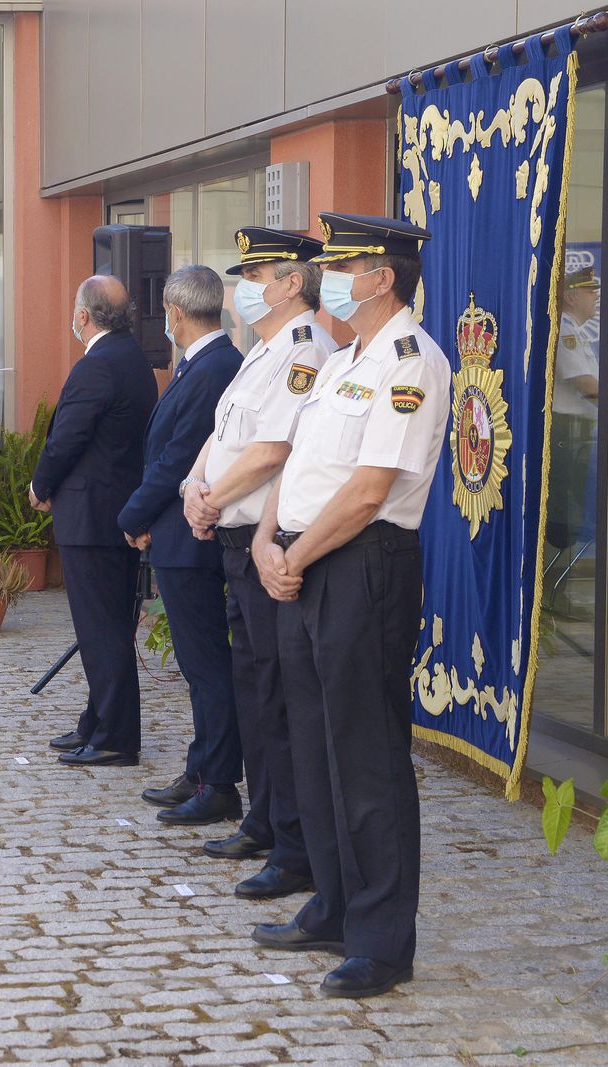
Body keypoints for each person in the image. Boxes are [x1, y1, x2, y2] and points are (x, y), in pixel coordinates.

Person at [248, 212, 449, 1000]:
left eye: (344, 264)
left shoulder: (410, 361)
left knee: (366, 757)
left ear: (383, 276)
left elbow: (369, 491)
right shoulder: (344, 358)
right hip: (301, 557)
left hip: (360, 566)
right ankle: (332, 903)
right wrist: (269, 538)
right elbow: (299, 460)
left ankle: (380, 939)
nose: (330, 276)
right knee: (313, 743)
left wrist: (292, 556)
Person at [182, 226, 334, 902]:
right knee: (254, 692)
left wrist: (213, 496)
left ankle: (294, 843)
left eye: (258, 274)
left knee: (277, 699)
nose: (246, 287)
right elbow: (224, 432)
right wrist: (195, 485)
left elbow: (273, 451)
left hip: (266, 543)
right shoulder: (261, 351)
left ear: (291, 284)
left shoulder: (306, 351)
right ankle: (265, 818)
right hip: (235, 540)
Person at [115, 266, 243, 821]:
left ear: (174, 311)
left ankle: (217, 783)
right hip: (176, 531)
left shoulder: (216, 366)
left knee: (207, 663)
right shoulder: (200, 364)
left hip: (192, 538)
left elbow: (176, 459)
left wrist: (134, 512)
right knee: (197, 664)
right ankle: (200, 767)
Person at [30, 275, 157, 766]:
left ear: (84, 316)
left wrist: (40, 487)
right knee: (105, 627)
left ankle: (115, 738)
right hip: (118, 510)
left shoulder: (98, 364)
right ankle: (97, 720)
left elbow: (66, 438)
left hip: (92, 515)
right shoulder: (135, 360)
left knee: (102, 629)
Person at [547, 267, 600, 557]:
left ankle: (560, 576)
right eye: (589, 291)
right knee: (564, 509)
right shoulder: (565, 332)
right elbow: (585, 383)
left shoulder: (576, 333)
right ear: (570, 297)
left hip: (577, 432)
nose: (595, 296)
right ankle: (556, 576)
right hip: (566, 432)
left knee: (573, 506)